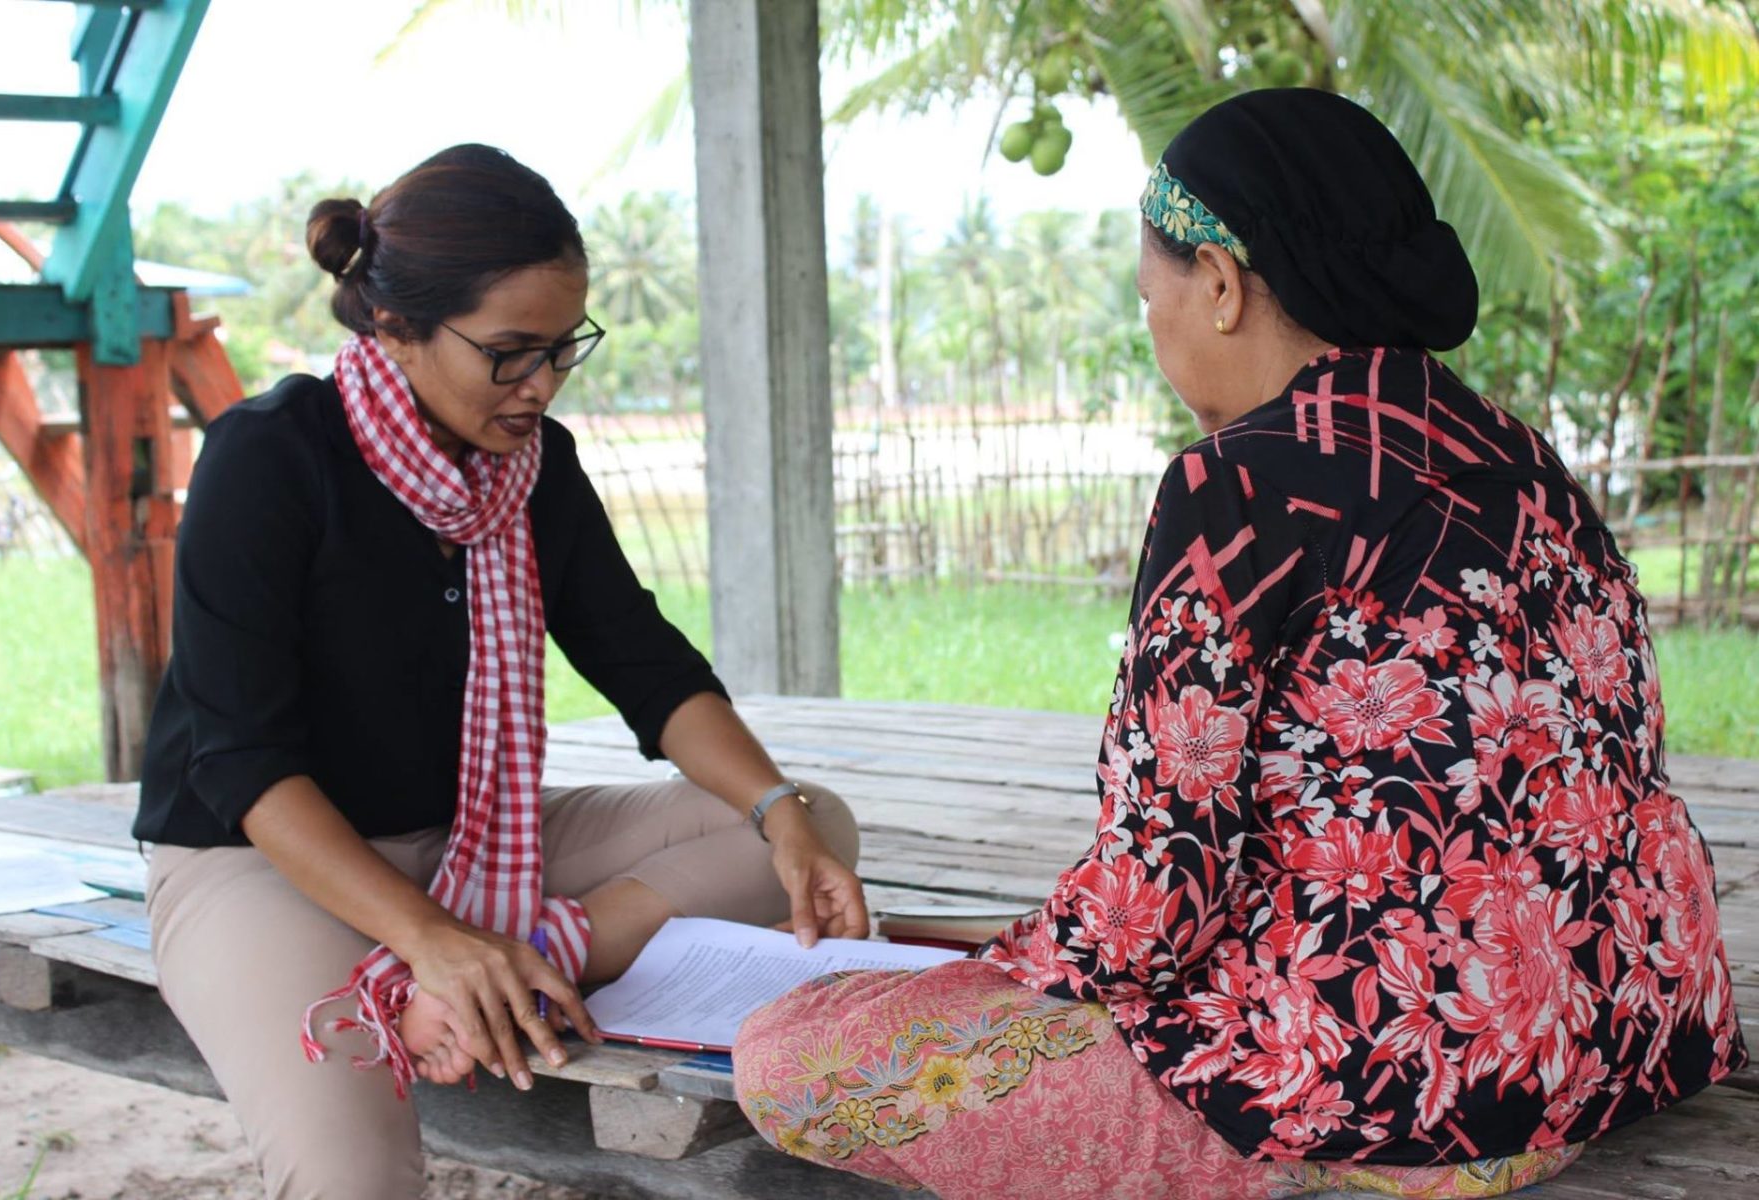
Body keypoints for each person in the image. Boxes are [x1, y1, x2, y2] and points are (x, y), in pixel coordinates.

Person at [732, 89, 1747, 1199]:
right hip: (1617, 1038)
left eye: (1150, 297)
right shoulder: (1524, 458)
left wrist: (998, 963)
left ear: (1219, 283)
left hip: (1398, 1092)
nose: (1156, 328)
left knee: (790, 1053)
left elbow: (1154, 914)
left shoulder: (1238, 484)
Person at [135, 143, 867, 1200]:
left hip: (469, 847)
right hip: (260, 863)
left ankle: (510, 965)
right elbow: (243, 763)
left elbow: (647, 666)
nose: (542, 385)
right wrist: (427, 937)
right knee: (355, 1183)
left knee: (808, 830)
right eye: (511, 354)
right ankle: (446, 970)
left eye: (564, 350)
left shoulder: (534, 467)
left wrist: (777, 806)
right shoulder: (270, 458)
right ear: (396, 327)